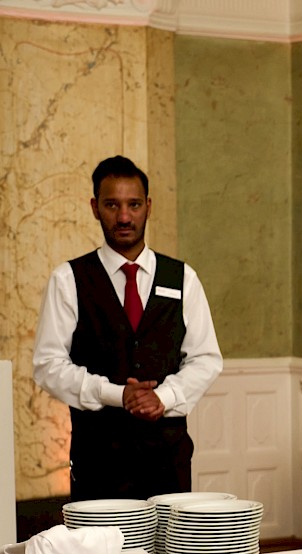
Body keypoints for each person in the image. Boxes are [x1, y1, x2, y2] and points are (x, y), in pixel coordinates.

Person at [33, 155, 223, 502]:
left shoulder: (182, 278)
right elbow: (48, 366)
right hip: (98, 463)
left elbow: (206, 359)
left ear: (148, 206)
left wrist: (162, 398)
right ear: (94, 207)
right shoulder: (68, 279)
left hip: (170, 461)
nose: (123, 217)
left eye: (133, 204)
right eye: (112, 205)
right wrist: (115, 394)